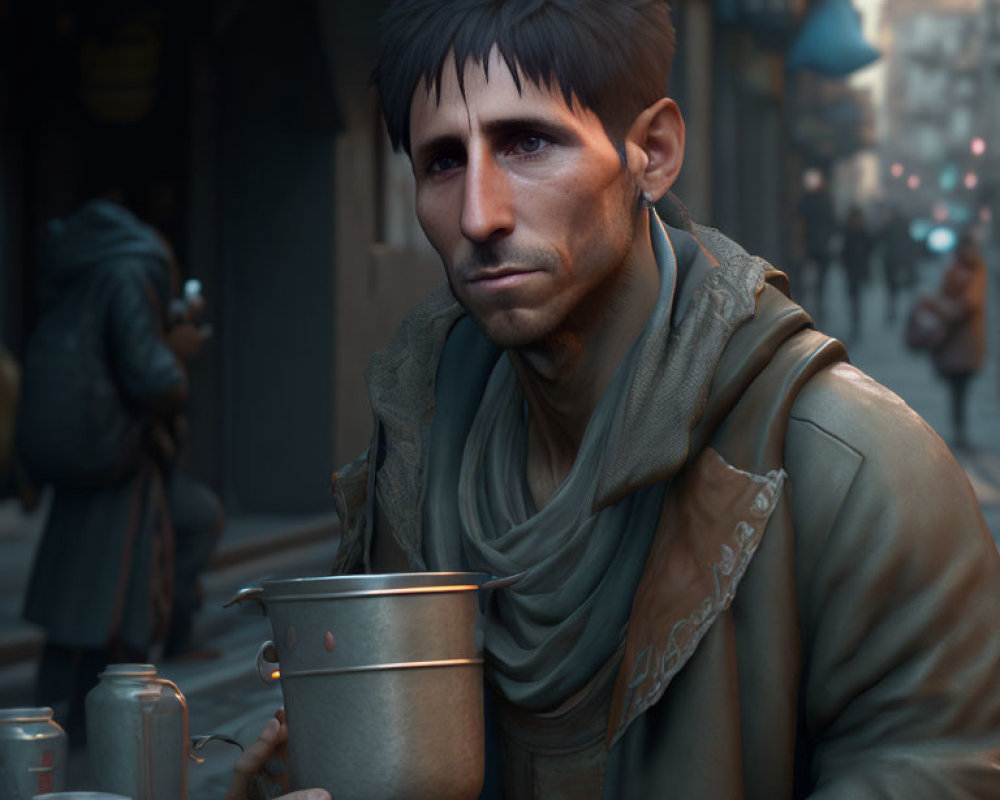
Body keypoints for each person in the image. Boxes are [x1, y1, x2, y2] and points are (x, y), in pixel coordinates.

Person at [229, 1, 1000, 798]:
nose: (478, 215)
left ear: (653, 153)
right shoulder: (409, 468)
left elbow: (940, 765)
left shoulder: (853, 469)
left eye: (529, 142)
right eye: (443, 162)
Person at [16, 197, 223, 745]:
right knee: (115, 590)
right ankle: (95, 716)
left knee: (86, 588)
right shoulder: (132, 271)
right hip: (118, 455)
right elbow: (154, 377)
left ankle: (70, 710)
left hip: (91, 447)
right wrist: (176, 349)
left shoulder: (89, 266)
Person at [927, 231, 988, 451]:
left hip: (965, 341)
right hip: (956, 341)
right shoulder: (959, 270)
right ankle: (959, 431)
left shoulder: (974, 272)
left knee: (959, 390)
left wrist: (939, 307)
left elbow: (966, 305)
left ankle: (960, 431)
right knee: (957, 389)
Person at [796, 167, 837, 323]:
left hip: (817, 247)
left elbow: (832, 223)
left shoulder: (818, 200)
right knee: (812, 280)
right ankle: (813, 306)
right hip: (813, 246)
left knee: (817, 281)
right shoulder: (817, 200)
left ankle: (816, 306)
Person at [877, 204, 917, 326]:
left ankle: (892, 313)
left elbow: (880, 239)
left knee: (892, 290)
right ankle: (907, 315)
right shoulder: (905, 226)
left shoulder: (889, 226)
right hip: (902, 261)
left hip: (891, 262)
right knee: (904, 288)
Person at [839, 204, 872, 342]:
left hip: (860, 270)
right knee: (853, 299)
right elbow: (843, 253)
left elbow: (870, 249)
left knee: (856, 299)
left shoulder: (863, 233)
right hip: (851, 271)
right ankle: (855, 324)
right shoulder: (848, 233)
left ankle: (856, 324)